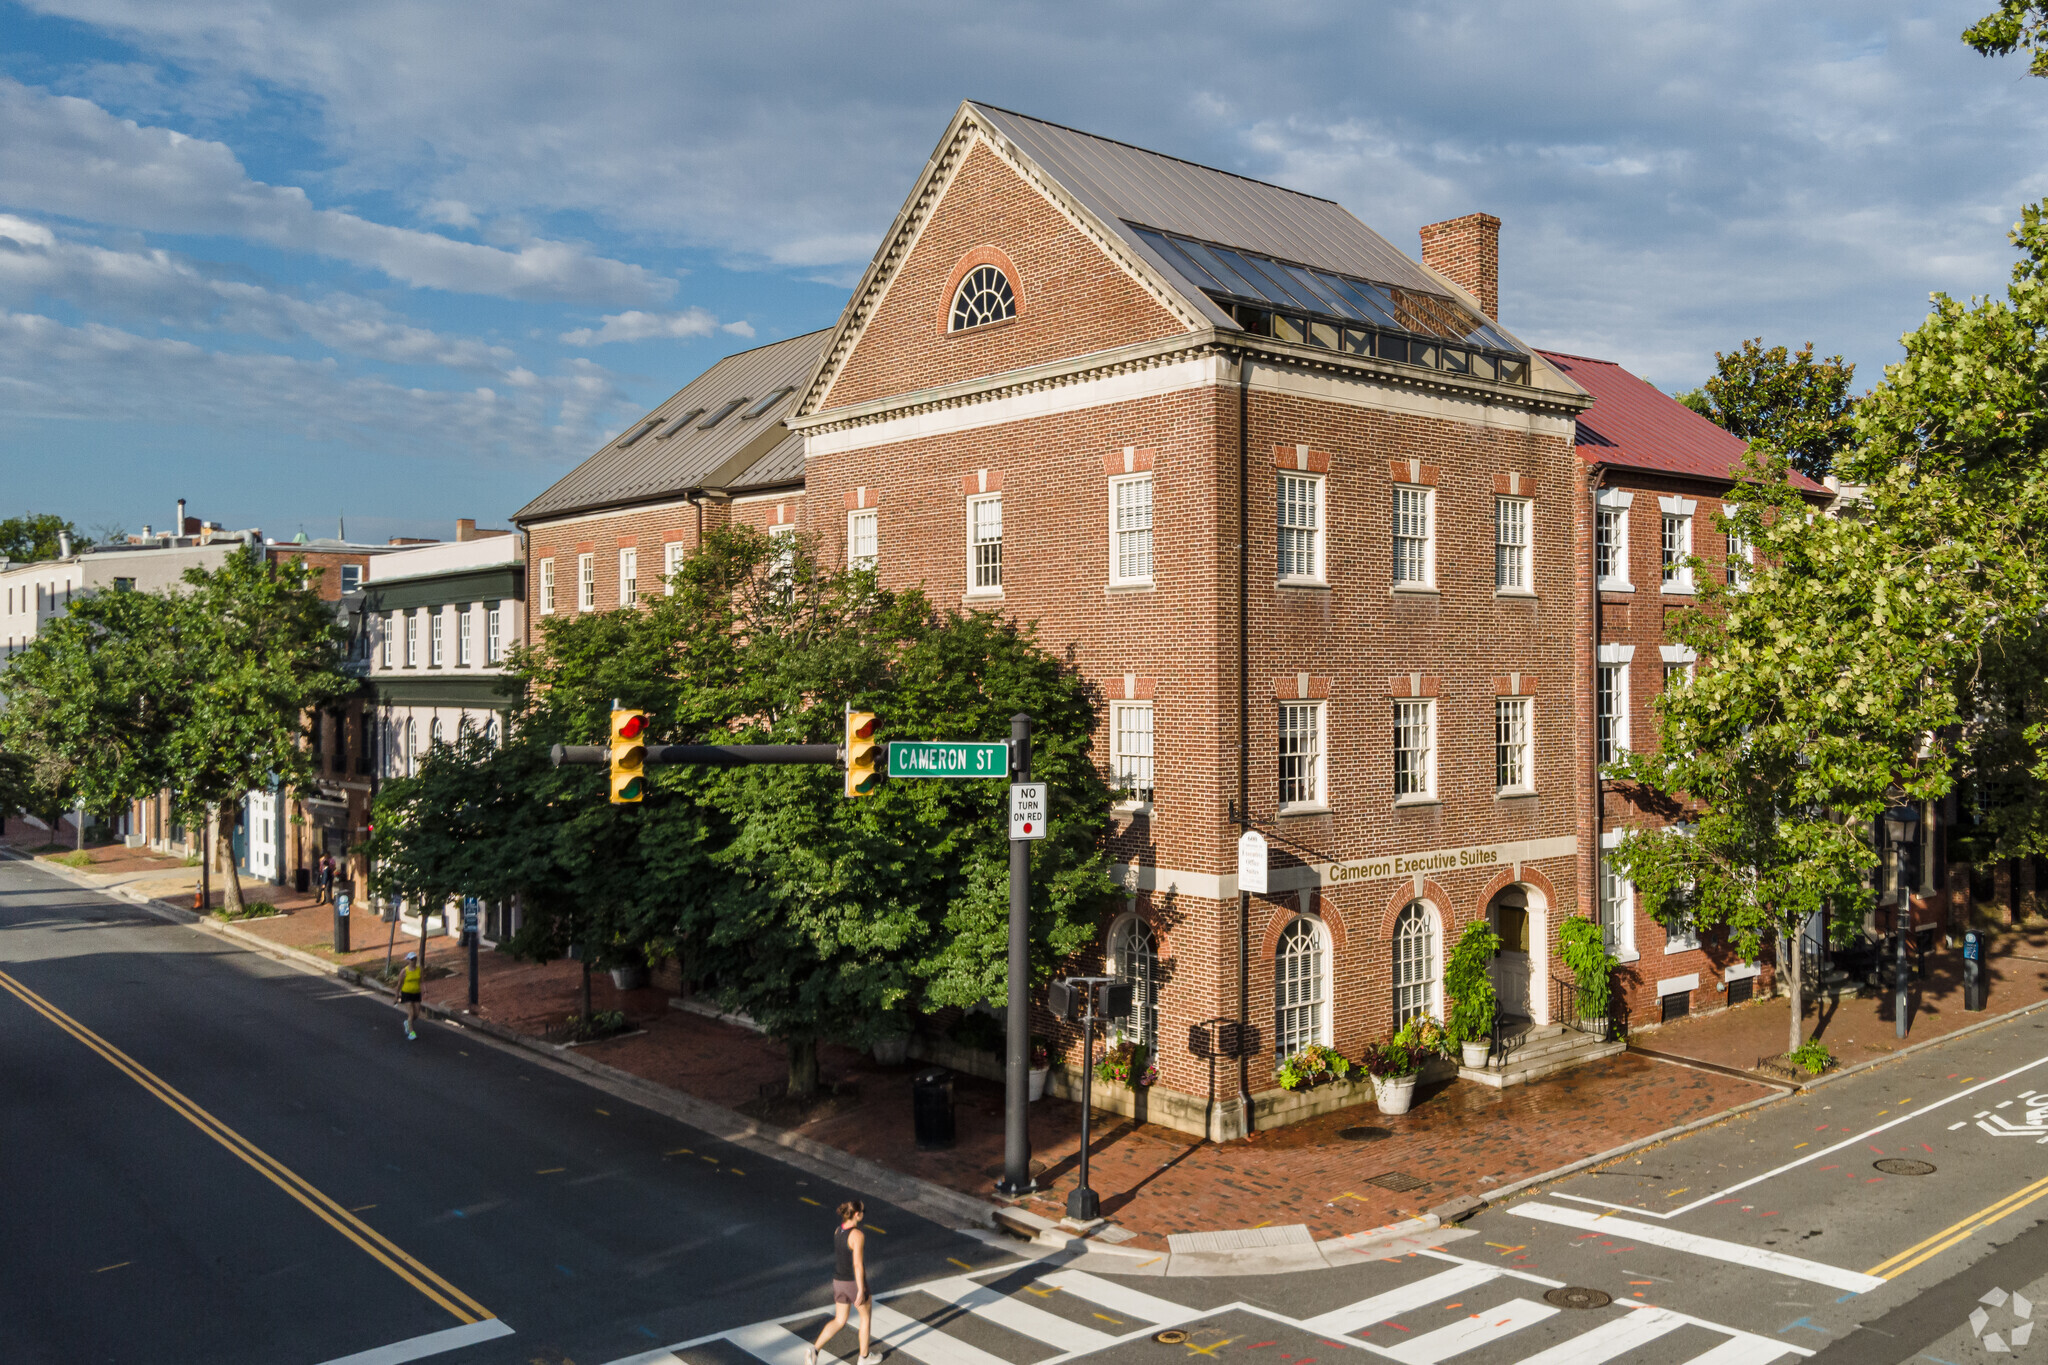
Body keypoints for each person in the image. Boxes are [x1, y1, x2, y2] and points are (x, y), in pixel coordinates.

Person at [807, 1201, 874, 1365]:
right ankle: (864, 1358)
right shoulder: (857, 1235)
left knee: (839, 1320)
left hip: (839, 1281)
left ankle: (814, 1351)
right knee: (865, 1318)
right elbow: (857, 1264)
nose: (864, 1213)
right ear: (857, 1214)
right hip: (852, 1283)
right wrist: (860, 1289)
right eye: (863, 1211)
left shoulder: (838, 1230)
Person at [398, 951, 423, 1041]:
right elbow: (399, 983)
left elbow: (421, 980)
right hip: (406, 993)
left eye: (415, 959)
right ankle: (411, 1033)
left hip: (416, 993)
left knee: (416, 1014)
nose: (414, 961)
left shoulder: (419, 969)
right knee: (411, 1014)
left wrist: (425, 990)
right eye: (412, 959)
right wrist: (397, 995)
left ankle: (407, 1023)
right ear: (408, 960)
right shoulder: (404, 971)